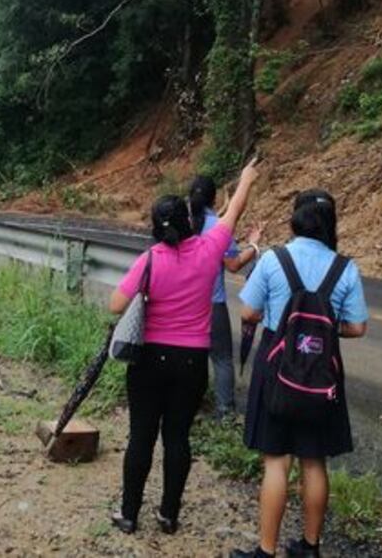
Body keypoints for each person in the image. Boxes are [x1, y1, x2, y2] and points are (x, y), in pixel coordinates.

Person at [109, 157, 262, 535]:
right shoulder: (210, 249)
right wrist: (245, 179)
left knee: (141, 436)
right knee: (177, 437)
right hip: (191, 362)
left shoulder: (149, 260)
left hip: (148, 362)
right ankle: (168, 515)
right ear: (190, 219)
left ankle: (129, 514)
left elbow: (115, 304)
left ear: (155, 227)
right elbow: (235, 211)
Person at [231, 190, 368, 558]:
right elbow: (357, 328)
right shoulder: (345, 268)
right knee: (314, 459)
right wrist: (321, 330)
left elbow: (248, 313)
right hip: (322, 372)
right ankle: (310, 547)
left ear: (296, 219)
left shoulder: (275, 259)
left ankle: (266, 550)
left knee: (276, 459)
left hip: (277, 365)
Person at [188, 175, 261, 419]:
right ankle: (224, 412)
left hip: (183, 301)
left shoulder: (184, 222)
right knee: (221, 359)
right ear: (214, 197)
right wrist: (254, 246)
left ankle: (189, 404)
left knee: (191, 355)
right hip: (212, 304)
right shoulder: (217, 228)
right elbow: (233, 264)